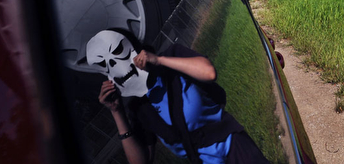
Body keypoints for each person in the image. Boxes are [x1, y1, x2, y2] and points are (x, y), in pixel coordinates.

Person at [87, 29, 270, 164]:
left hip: (237, 151)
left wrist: (159, 61)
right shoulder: (140, 107)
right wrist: (117, 112)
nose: (115, 65)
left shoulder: (173, 58)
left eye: (117, 51)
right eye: (104, 64)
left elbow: (209, 73)